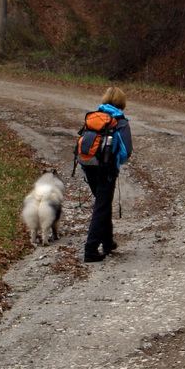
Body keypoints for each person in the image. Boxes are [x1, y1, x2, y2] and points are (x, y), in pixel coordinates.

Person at [80, 87, 133, 262]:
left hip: (88, 164)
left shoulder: (95, 116)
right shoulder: (120, 121)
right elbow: (126, 152)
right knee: (101, 206)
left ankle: (107, 242)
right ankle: (91, 249)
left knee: (102, 203)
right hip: (106, 168)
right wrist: (115, 161)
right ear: (122, 103)